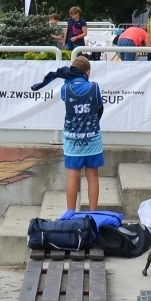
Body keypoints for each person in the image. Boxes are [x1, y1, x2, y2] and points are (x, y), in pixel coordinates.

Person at [33, 56, 103, 211]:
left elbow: (67, 98)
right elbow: (99, 107)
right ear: (88, 72)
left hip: (72, 138)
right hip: (92, 138)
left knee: (73, 176)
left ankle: (70, 213)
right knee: (93, 176)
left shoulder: (66, 89)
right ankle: (93, 213)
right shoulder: (95, 87)